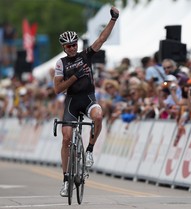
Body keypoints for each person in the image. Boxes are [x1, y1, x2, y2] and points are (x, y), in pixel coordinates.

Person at [53, 6, 119, 197]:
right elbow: (58, 89)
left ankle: (89, 150)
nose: (72, 48)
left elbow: (102, 39)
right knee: (66, 139)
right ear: (63, 48)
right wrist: (74, 77)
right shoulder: (61, 64)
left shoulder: (86, 55)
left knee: (98, 116)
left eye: (74, 44)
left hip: (89, 98)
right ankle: (66, 181)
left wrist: (113, 19)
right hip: (72, 102)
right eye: (68, 46)